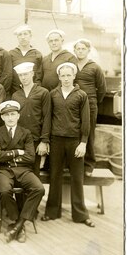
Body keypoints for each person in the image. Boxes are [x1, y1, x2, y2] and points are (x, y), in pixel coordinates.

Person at [41, 62, 95, 228]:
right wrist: (47, 140)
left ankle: (80, 214)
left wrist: (83, 143)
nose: (65, 78)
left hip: (74, 142)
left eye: (68, 75)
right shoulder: (53, 94)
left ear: (73, 76)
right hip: (57, 141)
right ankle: (51, 211)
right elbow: (48, 118)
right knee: (54, 175)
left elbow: (86, 121)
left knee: (77, 178)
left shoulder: (81, 95)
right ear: (59, 77)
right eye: (62, 75)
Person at [0, 100, 45, 243]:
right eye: (6, 115)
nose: (10, 118)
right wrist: (17, 152)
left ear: (18, 116)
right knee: (3, 190)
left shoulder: (26, 133)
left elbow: (30, 157)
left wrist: (7, 156)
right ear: (2, 117)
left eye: (13, 114)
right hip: (3, 171)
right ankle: (16, 220)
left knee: (38, 188)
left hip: (23, 170)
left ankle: (18, 225)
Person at [74, 38, 107, 176]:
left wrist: (92, 101)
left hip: (90, 105)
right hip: (75, 105)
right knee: (75, 133)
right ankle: (75, 164)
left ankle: (89, 164)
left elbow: (102, 88)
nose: (80, 51)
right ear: (74, 50)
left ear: (88, 50)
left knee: (89, 134)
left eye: (83, 49)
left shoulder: (95, 67)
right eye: (78, 49)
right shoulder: (72, 65)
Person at [11, 62, 51, 176]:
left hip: (35, 139)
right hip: (19, 140)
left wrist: (44, 141)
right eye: (21, 75)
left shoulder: (43, 92)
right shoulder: (16, 95)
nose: (23, 78)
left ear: (32, 73)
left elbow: (47, 117)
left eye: (26, 74)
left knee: (34, 175)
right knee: (19, 173)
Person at [9, 25, 42, 93]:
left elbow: (39, 75)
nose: (23, 37)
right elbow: (9, 74)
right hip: (15, 91)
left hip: (32, 92)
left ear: (30, 36)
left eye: (25, 34)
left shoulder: (37, 54)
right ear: (17, 37)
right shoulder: (11, 54)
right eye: (20, 35)